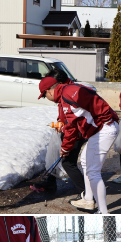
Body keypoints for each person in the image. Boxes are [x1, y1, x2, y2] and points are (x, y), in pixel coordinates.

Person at [38, 76, 119, 214]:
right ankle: (87, 198)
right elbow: (77, 121)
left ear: (49, 91)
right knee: (85, 161)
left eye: (44, 95)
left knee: (93, 172)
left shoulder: (67, 96)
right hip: (102, 127)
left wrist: (65, 148)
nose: (47, 98)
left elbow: (72, 127)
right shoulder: (68, 90)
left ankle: (103, 213)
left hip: (104, 128)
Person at [33, 68, 85, 201]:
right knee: (61, 156)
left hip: (76, 132)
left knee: (68, 162)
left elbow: (73, 122)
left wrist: (66, 145)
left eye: (46, 94)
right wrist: (60, 121)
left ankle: (85, 194)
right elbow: (65, 115)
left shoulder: (69, 93)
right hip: (71, 130)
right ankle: (51, 181)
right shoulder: (65, 92)